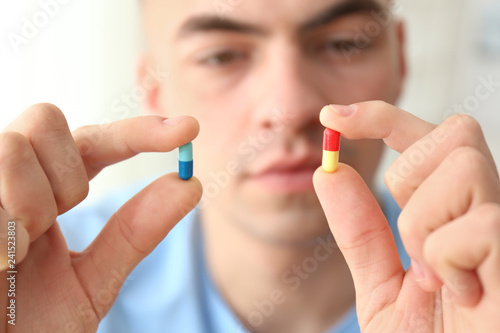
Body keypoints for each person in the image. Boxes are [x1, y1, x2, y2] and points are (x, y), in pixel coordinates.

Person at [1, 0, 499, 332]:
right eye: (220, 56)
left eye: (344, 43)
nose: (288, 108)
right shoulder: (38, 275)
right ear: (154, 89)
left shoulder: (475, 280)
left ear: (401, 62)